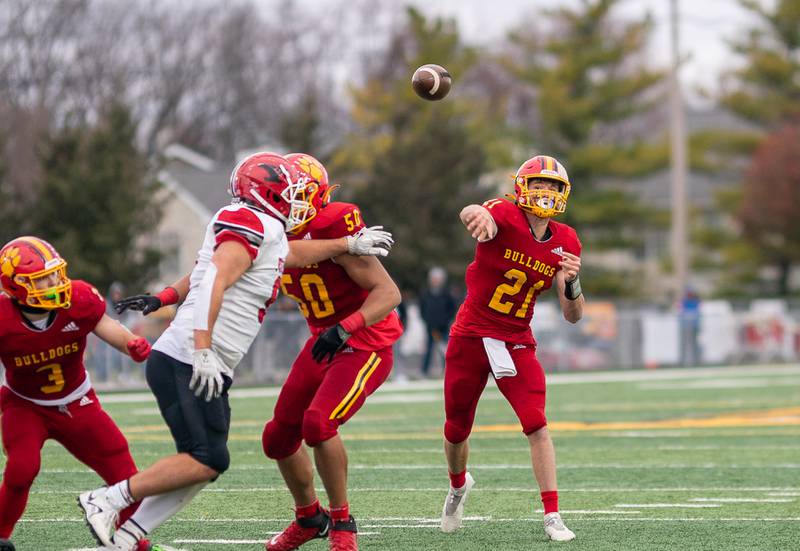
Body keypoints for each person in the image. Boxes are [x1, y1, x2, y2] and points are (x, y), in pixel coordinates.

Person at [77, 152, 395, 551]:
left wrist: (348, 243)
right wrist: (203, 346)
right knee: (215, 456)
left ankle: (127, 536)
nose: (295, 199)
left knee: (210, 461)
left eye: (300, 192)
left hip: (317, 347)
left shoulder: (272, 230)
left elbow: (292, 255)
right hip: (195, 356)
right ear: (266, 194)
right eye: (288, 191)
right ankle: (109, 499)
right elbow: (213, 279)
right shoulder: (250, 221)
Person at [261, 153, 402, 551]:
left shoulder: (334, 225)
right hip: (324, 339)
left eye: (297, 195)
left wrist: (346, 327)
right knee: (276, 439)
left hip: (365, 340)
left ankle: (343, 523)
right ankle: (309, 517)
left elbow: (389, 294)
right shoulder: (270, 235)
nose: (286, 204)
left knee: (318, 425)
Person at [439, 155, 584, 542]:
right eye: (539, 183)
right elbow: (476, 210)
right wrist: (475, 215)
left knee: (536, 423)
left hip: (516, 339)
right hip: (471, 334)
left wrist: (572, 283)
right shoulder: (502, 213)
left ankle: (552, 514)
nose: (546, 192)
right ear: (521, 187)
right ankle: (457, 487)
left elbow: (573, 315)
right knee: (456, 427)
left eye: (553, 187)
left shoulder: (566, 240)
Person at [0, 236, 152, 551]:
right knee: (21, 468)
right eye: (42, 279)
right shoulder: (4, 318)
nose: (55, 283)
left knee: (124, 471)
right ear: (16, 287)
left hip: (77, 401)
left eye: (56, 274)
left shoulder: (78, 299)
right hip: (25, 404)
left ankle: (129, 539)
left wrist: (131, 345)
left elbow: (107, 327)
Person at [418, 266, 457, 377]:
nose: (435, 281)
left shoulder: (447, 294)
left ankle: (447, 372)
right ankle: (424, 372)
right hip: (430, 327)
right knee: (428, 350)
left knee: (445, 351)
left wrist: (445, 321)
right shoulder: (425, 293)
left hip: (443, 328)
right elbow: (422, 309)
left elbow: (451, 309)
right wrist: (427, 321)